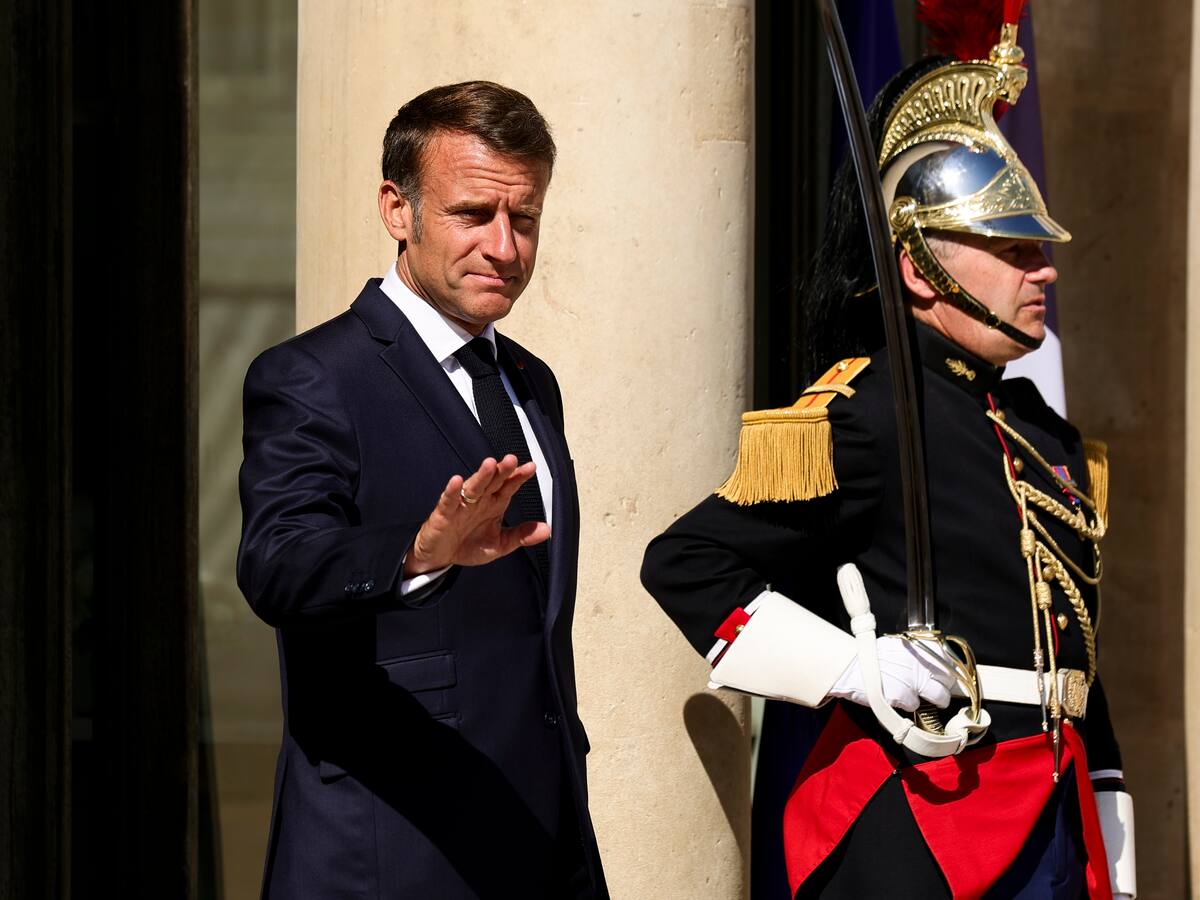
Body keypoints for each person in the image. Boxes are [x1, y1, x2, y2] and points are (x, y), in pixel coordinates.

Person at [641, 24, 1136, 900]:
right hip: (927, 816)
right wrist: (847, 668)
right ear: (918, 269)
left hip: (1059, 822)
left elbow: (1077, 655)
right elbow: (683, 562)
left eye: (1038, 249)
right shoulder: (865, 411)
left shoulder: (1041, 431)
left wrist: (1112, 824)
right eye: (1013, 249)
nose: (1042, 272)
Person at [237, 80, 608, 900]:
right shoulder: (311, 376)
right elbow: (277, 565)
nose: (505, 247)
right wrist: (415, 553)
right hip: (389, 849)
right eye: (474, 215)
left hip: (540, 838)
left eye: (527, 219)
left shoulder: (530, 382)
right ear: (396, 210)